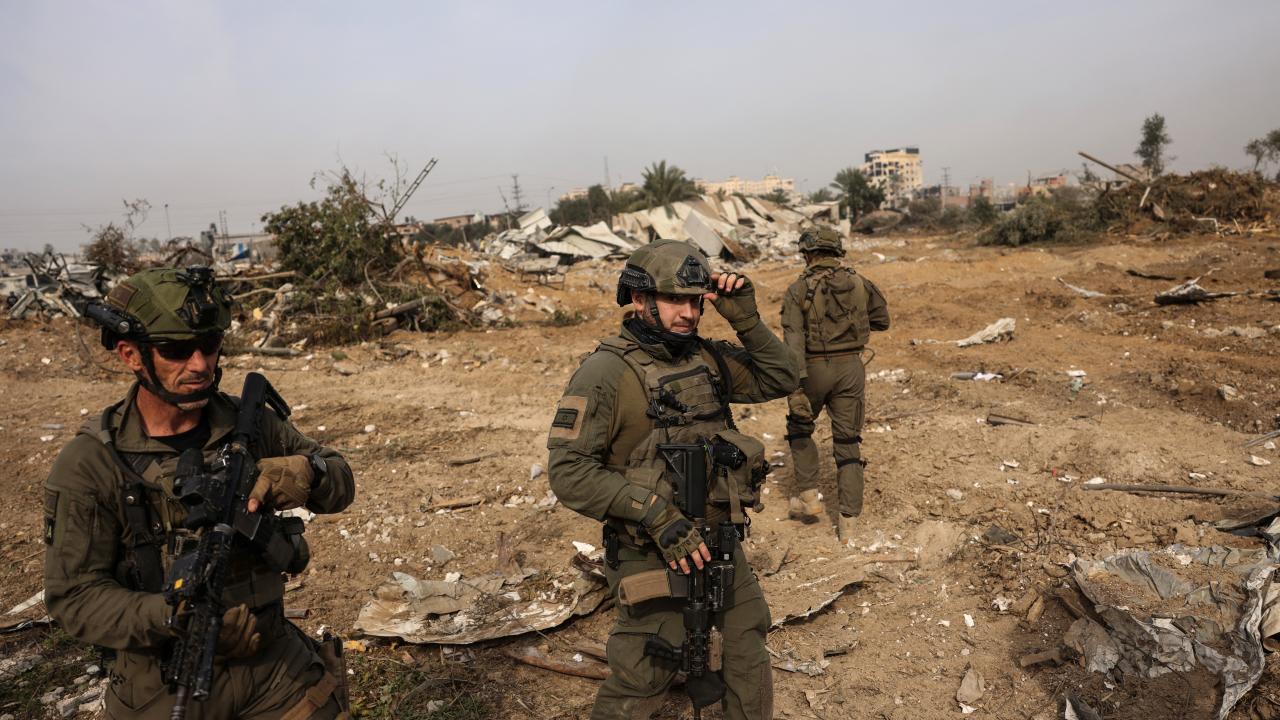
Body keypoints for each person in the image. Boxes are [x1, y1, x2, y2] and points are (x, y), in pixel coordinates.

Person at [43, 266, 355, 719]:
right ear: (131, 355)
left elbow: (340, 481)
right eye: (176, 351)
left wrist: (311, 472)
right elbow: (74, 597)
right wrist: (176, 617)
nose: (200, 365)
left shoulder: (249, 424)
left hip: (272, 666)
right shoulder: (92, 462)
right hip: (164, 677)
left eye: (209, 346)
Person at [548, 240, 797, 719]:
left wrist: (746, 319)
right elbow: (568, 471)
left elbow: (784, 377)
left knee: (747, 640)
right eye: (675, 300)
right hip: (649, 549)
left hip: (719, 543)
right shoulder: (605, 373)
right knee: (645, 672)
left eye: (696, 301)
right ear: (639, 298)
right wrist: (658, 516)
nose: (689, 313)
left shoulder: (706, 358)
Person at [780, 226, 889, 543]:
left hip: (813, 369)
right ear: (836, 252)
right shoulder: (860, 282)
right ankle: (848, 524)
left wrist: (795, 388)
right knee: (848, 441)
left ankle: (809, 497)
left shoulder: (798, 289)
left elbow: (793, 343)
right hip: (852, 368)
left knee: (800, 427)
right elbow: (882, 320)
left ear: (809, 254)